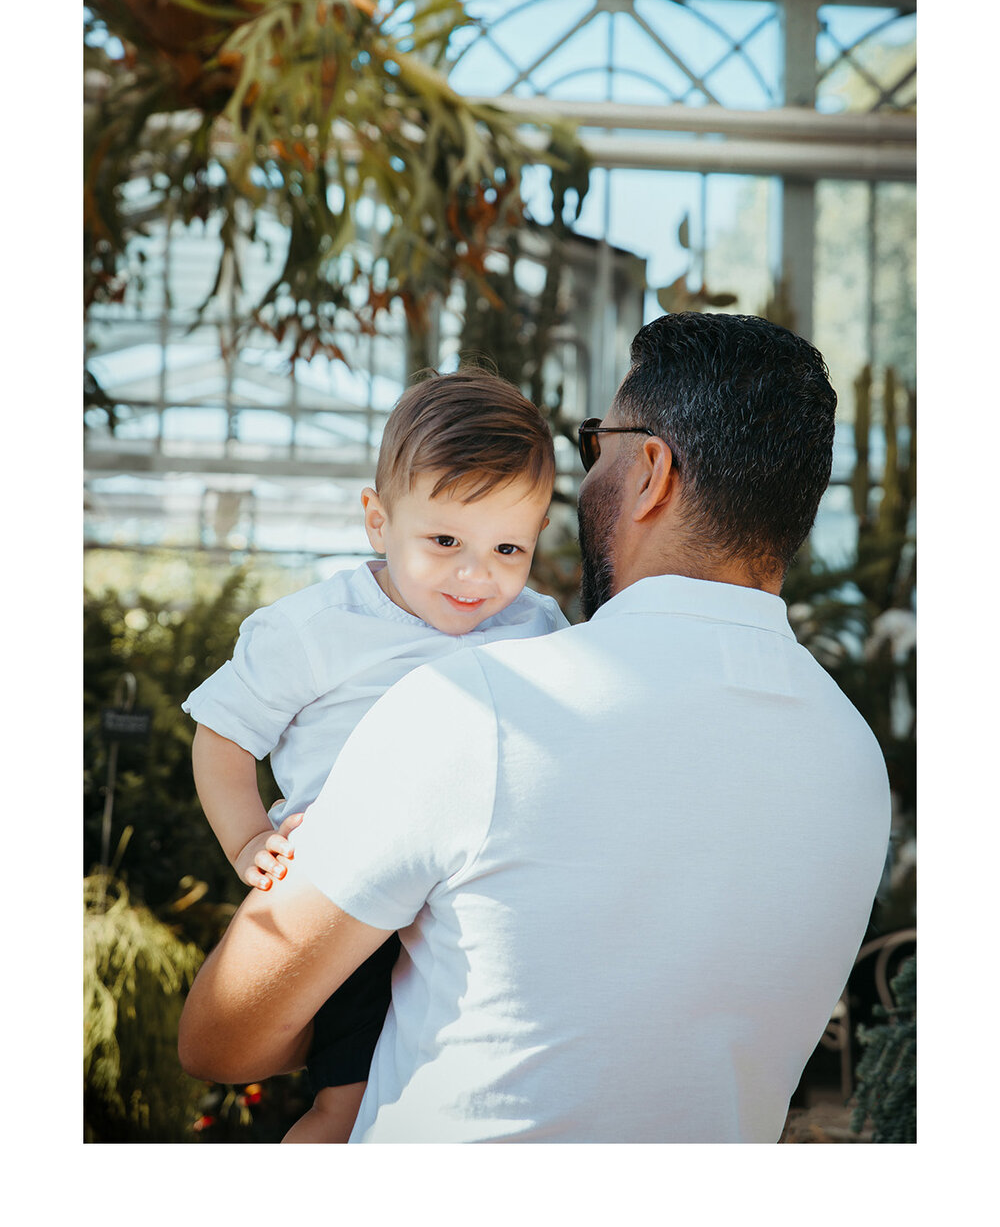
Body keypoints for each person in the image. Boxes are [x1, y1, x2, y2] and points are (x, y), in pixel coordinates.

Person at [178, 312, 892, 1144]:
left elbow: (220, 1036)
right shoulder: (854, 762)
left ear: (651, 471)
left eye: (597, 450)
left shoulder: (475, 706)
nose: (582, 489)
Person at [181, 368, 568, 1142]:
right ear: (377, 520)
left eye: (508, 547)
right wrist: (249, 836)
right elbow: (223, 734)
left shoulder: (539, 626)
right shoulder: (316, 627)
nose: (476, 573)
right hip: (349, 895)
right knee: (346, 1108)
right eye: (445, 540)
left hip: (472, 897)